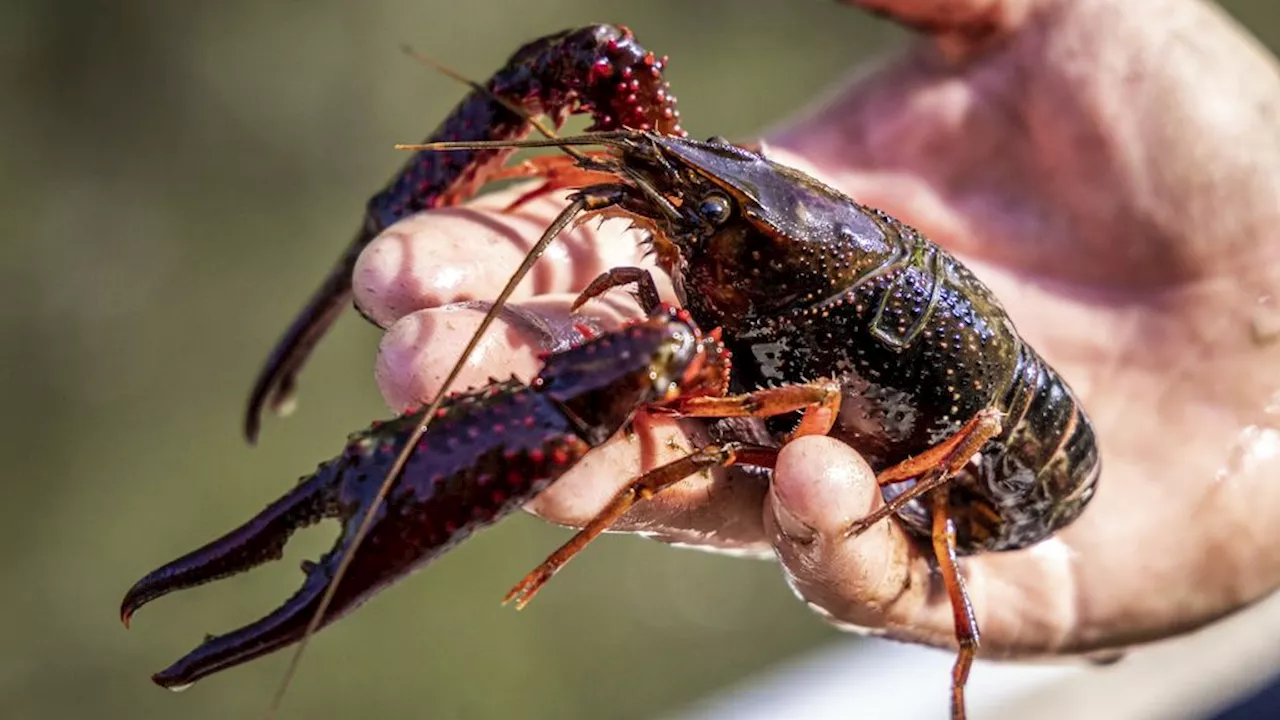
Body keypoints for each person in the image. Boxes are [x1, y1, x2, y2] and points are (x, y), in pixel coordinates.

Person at [352, 0, 1280, 664]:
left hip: (1019, 480)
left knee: (772, 415)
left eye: (718, 214)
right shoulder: (749, 260)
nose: (700, 212)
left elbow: (816, 398)